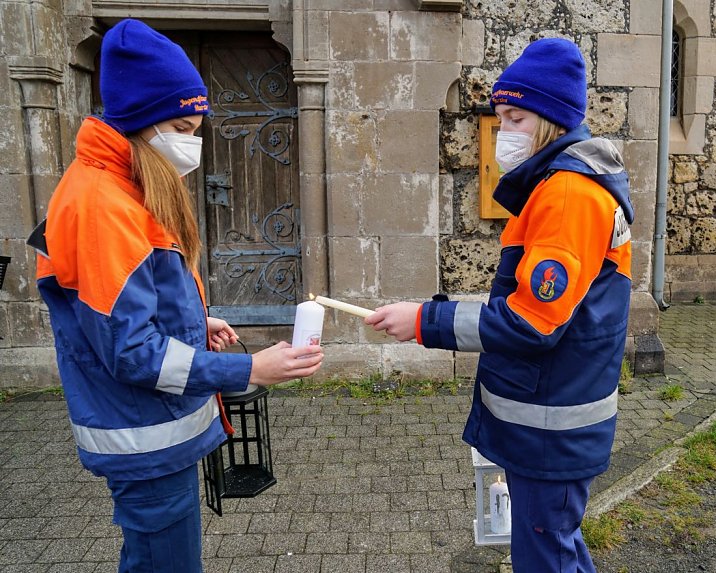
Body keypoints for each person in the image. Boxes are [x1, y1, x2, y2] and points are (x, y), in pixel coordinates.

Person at [28, 18, 323, 573]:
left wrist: (195, 324)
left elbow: (130, 306)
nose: (193, 145)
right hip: (143, 436)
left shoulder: (119, 186)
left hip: (152, 431)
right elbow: (132, 351)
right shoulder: (104, 206)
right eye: (184, 127)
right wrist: (248, 369)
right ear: (143, 121)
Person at [366, 38, 633, 573]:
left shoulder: (566, 195)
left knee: (545, 556)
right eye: (501, 117)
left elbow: (530, 324)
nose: (501, 132)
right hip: (548, 415)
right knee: (553, 546)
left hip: (551, 425)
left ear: (550, 122)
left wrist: (424, 320)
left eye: (514, 118)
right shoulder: (557, 187)